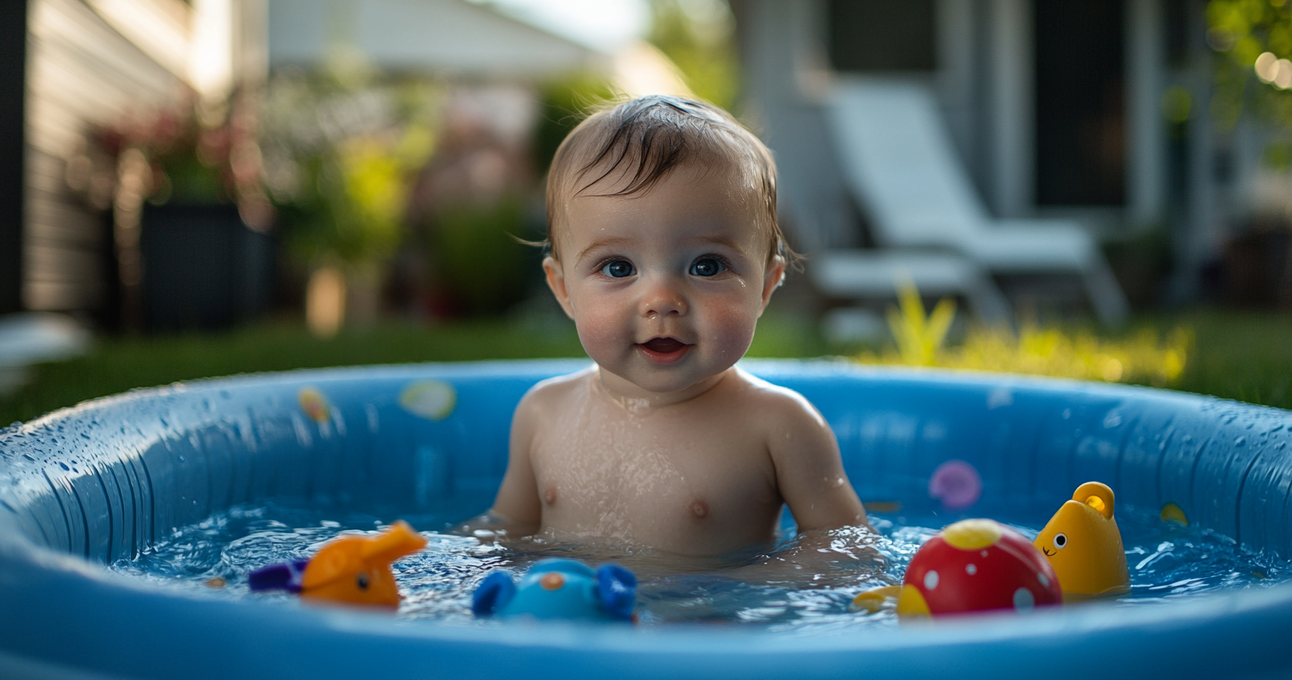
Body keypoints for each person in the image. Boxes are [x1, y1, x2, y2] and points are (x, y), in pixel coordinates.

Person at [483, 95, 870, 560]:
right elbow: (502, 535)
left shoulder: (778, 425)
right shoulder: (542, 414)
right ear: (563, 289)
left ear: (765, 288)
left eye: (707, 266)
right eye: (618, 268)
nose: (662, 301)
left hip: (707, 627)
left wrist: (747, 589)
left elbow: (846, 550)